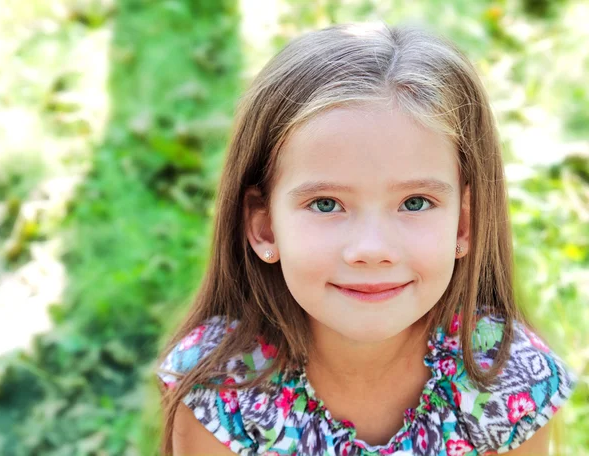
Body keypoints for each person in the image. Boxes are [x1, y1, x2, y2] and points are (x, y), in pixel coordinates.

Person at [155, 21, 577, 456]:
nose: (372, 250)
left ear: (463, 225)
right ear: (264, 226)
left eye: (415, 202)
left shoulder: (510, 383)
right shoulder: (219, 389)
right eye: (325, 204)